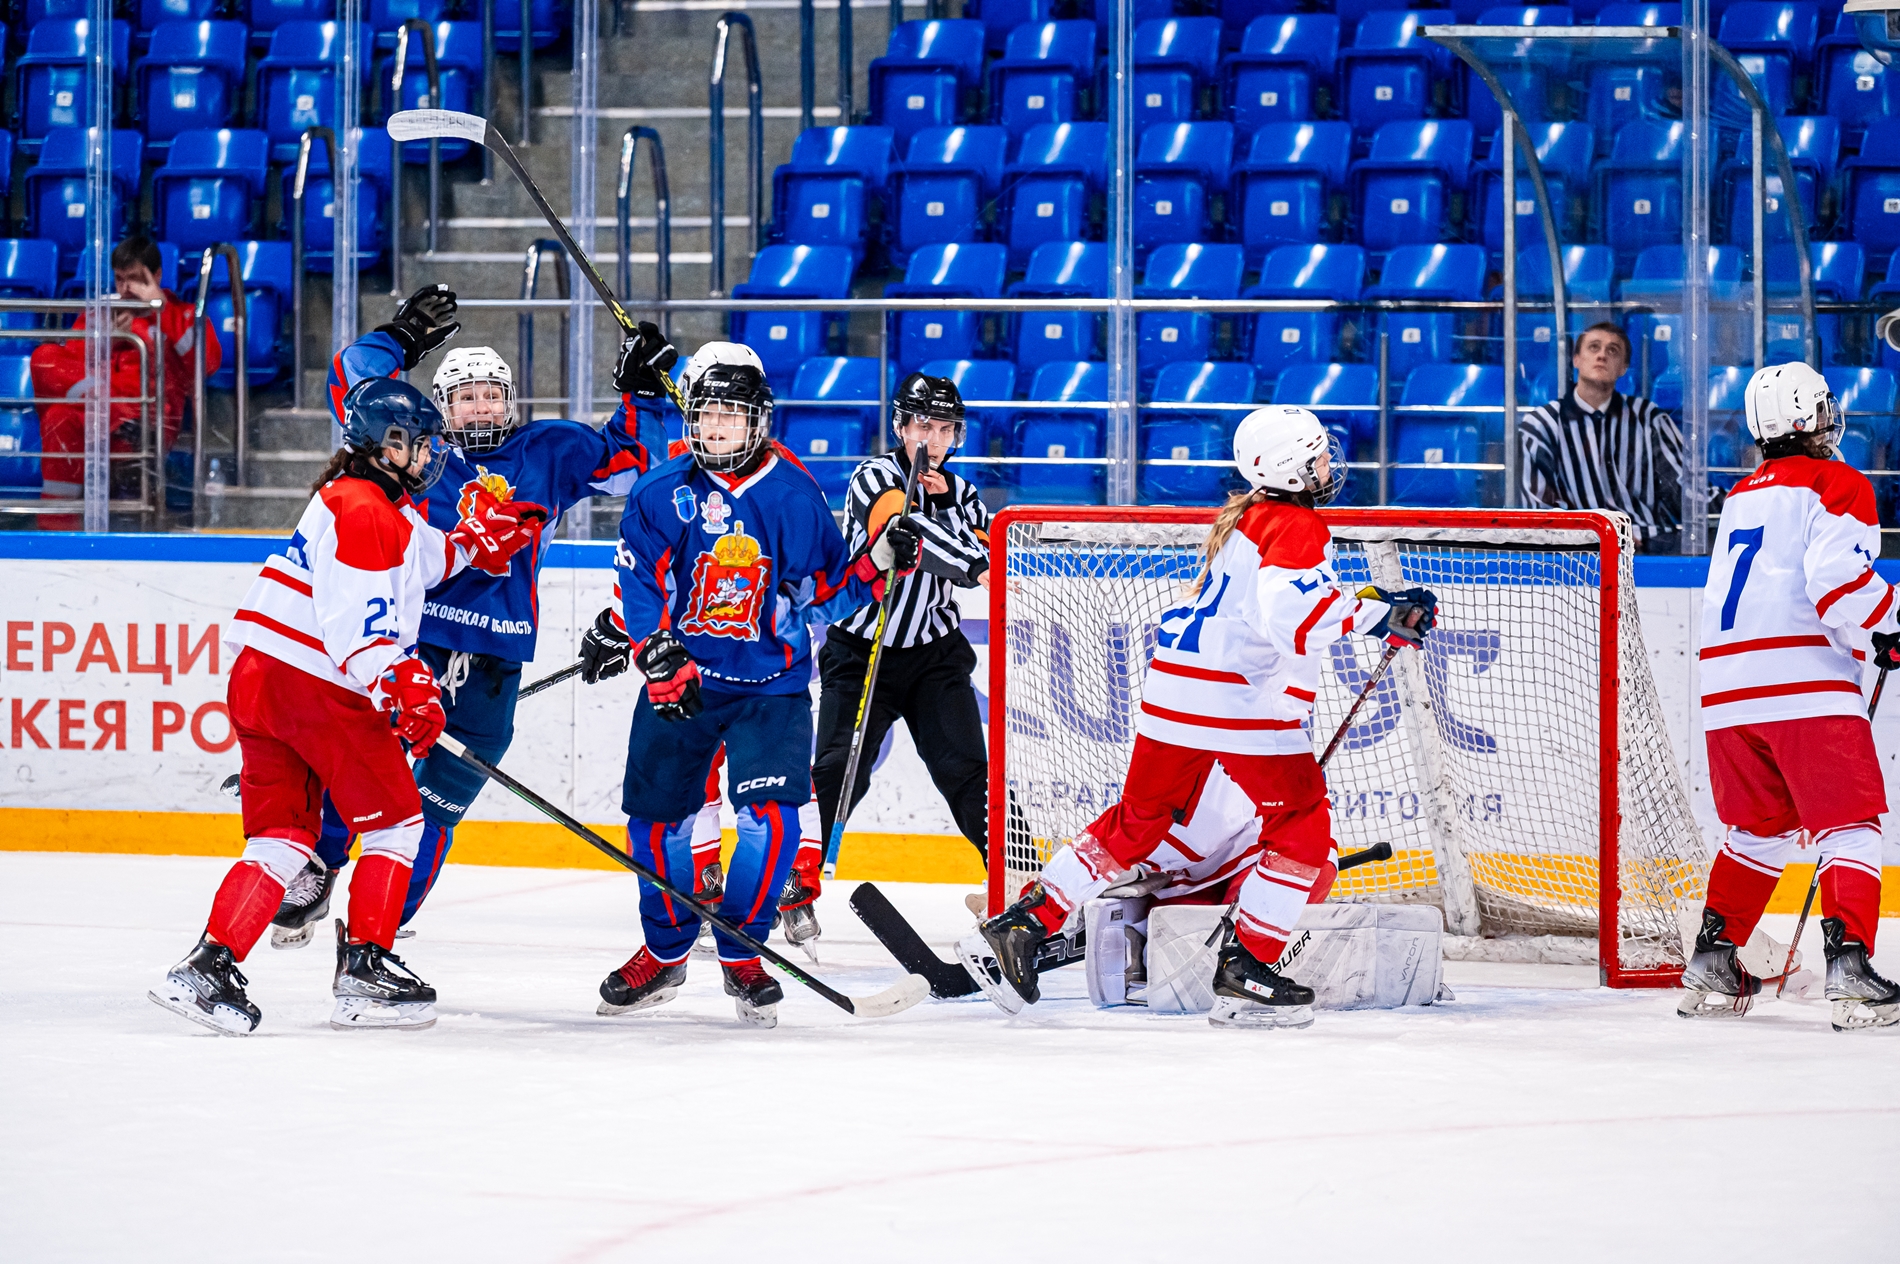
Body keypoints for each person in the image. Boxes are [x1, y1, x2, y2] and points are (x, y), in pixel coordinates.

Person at [954, 405, 1437, 1029]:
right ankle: (1246, 968)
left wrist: (1373, 604)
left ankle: (1024, 923)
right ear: (1294, 467)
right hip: (1231, 696)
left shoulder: (1247, 519)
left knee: (1139, 821)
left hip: (1174, 688)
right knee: (1302, 829)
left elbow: (1268, 603)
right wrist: (1378, 618)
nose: (1326, 464)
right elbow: (1292, 617)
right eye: (1316, 453)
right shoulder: (1296, 525)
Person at [265, 289, 672, 948]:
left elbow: (635, 468)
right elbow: (351, 381)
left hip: (494, 655)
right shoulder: (418, 447)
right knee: (360, 765)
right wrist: (399, 338)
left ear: (510, 401)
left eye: (493, 394)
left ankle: (376, 939)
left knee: (437, 805)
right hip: (412, 638)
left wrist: (643, 395)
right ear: (444, 408)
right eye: (466, 395)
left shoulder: (548, 451)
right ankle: (318, 866)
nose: (482, 406)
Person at [147, 378, 543, 1034]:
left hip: (261, 679)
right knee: (398, 824)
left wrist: (476, 541)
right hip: (315, 686)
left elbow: (419, 558)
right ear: (389, 446)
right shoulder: (365, 511)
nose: (430, 455)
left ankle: (207, 969)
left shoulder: (368, 502)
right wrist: (407, 687)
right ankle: (365, 968)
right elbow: (360, 631)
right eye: (420, 444)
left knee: (283, 836)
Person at [598, 342, 920, 1028]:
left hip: (769, 687)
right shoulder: (663, 491)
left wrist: (877, 561)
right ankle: (665, 951)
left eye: (728, 416)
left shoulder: (794, 495)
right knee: (656, 830)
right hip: (682, 681)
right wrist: (653, 647)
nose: (713, 428)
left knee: (772, 826)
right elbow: (640, 582)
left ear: (758, 422)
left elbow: (826, 593)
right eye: (704, 414)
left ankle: (743, 951)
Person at [1680, 361, 1899, 1032]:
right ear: (1807, 416)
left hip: (1726, 688)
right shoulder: (1839, 481)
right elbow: (1836, 584)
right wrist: (1891, 620)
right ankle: (1852, 972)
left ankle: (1714, 962)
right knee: (1850, 824)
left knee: (1760, 828)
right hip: (1802, 683)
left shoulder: (1744, 492)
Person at [783, 372, 996, 953]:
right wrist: (974, 562)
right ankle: (794, 882)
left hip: (934, 656)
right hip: (861, 651)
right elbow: (909, 531)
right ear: (901, 427)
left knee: (970, 773)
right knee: (835, 769)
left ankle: (1019, 884)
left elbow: (983, 543)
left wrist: (967, 543)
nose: (933, 438)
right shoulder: (875, 476)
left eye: (945, 427)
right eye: (922, 425)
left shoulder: (964, 492)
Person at [30, 235, 219, 528]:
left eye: (135, 279)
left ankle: (58, 524)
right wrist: (106, 343)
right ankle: (55, 529)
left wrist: (147, 322)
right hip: (99, 419)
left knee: (62, 413)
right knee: (45, 361)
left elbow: (205, 364)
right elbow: (67, 367)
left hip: (145, 426)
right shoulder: (100, 313)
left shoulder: (181, 315)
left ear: (156, 276)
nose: (126, 289)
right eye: (120, 280)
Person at [1518, 322, 1685, 553]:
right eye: (1593, 347)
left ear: (1623, 367)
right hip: (1578, 553)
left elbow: (1684, 488)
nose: (1602, 355)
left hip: (1650, 545)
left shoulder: (1649, 418)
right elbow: (1540, 511)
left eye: (1613, 350)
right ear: (1576, 360)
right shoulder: (1541, 425)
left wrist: (1736, 506)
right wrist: (1597, 537)